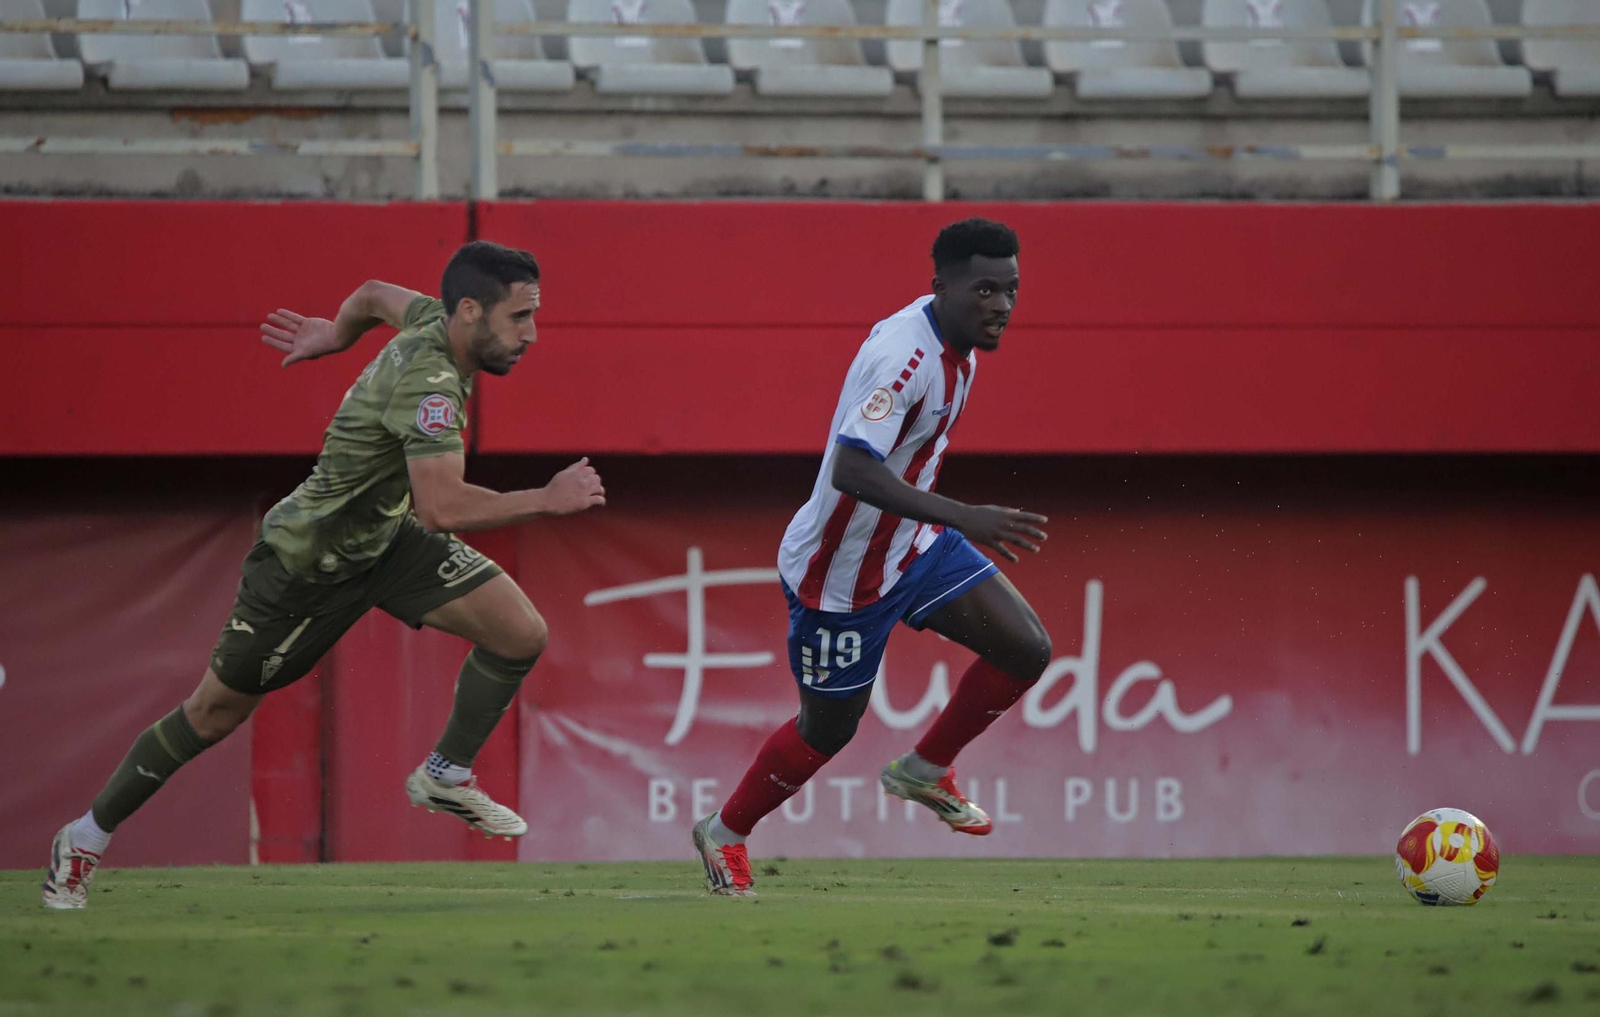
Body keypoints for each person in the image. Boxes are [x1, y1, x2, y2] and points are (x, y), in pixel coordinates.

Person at [42, 241, 605, 909]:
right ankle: (84, 837)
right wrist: (547, 496)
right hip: (304, 566)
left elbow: (370, 292)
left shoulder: (434, 316)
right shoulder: (429, 382)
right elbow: (442, 505)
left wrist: (333, 335)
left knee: (519, 632)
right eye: (519, 318)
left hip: (385, 541)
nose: (530, 334)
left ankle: (444, 772)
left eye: (533, 316)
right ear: (472, 312)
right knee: (213, 713)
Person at [691, 219, 1052, 896]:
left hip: (910, 547)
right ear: (941, 286)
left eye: (1011, 288)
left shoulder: (960, 342)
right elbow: (853, 472)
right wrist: (965, 516)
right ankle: (725, 831)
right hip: (840, 575)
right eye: (985, 289)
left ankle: (924, 767)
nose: (1002, 304)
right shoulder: (904, 358)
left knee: (1026, 648)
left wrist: (941, 525)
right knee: (827, 731)